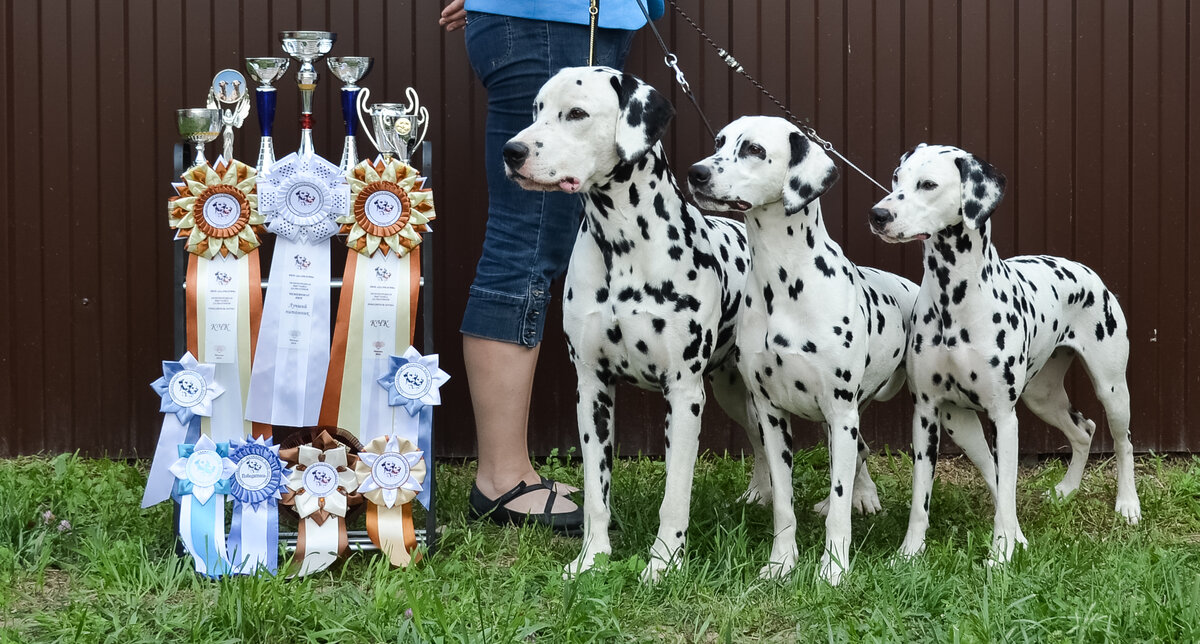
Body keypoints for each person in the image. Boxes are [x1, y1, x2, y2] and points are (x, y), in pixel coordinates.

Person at [440, 0, 663, 533]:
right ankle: (502, 481)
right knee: (527, 241)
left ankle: (505, 473)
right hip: (550, 20)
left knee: (542, 237)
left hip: (576, 18)